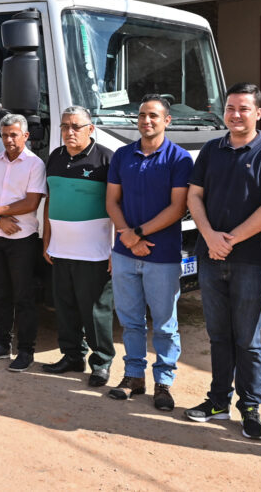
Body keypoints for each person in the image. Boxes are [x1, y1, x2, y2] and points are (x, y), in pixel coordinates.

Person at [183, 83, 261, 439]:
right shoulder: (211, 150)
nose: (235, 114)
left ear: (258, 113)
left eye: (244, 108)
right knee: (218, 335)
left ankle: (250, 406)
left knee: (247, 338)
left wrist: (228, 240)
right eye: (230, 108)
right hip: (211, 257)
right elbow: (194, 196)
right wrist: (210, 237)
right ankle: (218, 402)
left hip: (251, 261)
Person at [105, 95, 192, 411]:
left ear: (167, 120)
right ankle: (133, 376)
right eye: (142, 115)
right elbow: (112, 201)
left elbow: (178, 208)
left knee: (165, 324)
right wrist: (128, 238)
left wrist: (137, 234)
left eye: (153, 115)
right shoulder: (122, 155)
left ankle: (164, 384)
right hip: (125, 254)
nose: (146, 121)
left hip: (162, 256)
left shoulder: (180, 159)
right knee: (130, 321)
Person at [41, 106, 115, 387]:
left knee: (95, 311)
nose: (69, 132)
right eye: (64, 126)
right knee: (65, 307)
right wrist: (47, 239)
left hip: (95, 253)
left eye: (76, 126)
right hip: (61, 250)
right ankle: (72, 355)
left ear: (90, 129)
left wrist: (115, 249)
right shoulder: (55, 157)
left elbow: (118, 205)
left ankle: (102, 362)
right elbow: (50, 199)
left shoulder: (106, 159)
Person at [0, 113, 47, 372]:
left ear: (25, 136)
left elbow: (32, 202)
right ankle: (1, 345)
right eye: (5, 135)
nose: (9, 139)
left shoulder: (35, 164)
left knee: (24, 297)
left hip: (22, 239)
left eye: (14, 135)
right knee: (1, 293)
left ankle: (26, 350)